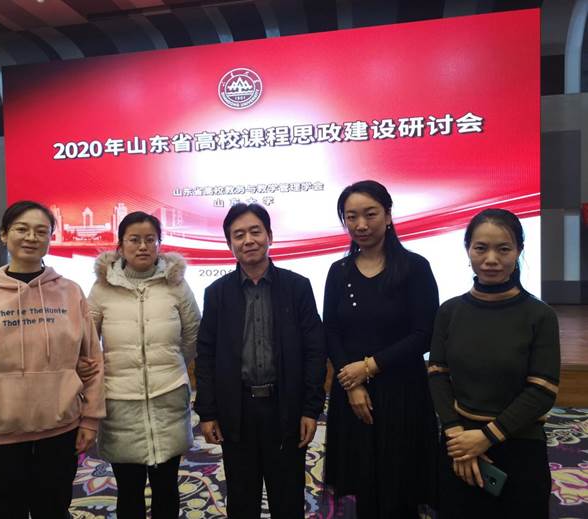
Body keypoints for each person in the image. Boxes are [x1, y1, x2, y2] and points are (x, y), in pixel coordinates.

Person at [0, 200, 105, 519]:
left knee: (54, 511)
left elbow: (92, 361)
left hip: (59, 432)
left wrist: (90, 419)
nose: (31, 237)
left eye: (41, 231)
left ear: (50, 238)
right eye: (22, 229)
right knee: (4, 512)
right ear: (4, 234)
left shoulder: (71, 293)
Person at [194, 203, 326, 519]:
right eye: (239, 235)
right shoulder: (217, 293)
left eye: (255, 231)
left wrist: (310, 409)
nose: (248, 240)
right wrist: (208, 412)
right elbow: (206, 354)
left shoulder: (297, 287)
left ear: (269, 236)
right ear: (229, 243)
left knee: (288, 498)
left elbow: (314, 351)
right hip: (237, 410)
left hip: (285, 408)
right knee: (242, 500)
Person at [428, 209, 560, 519]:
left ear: (518, 251)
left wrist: (485, 438)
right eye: (480, 248)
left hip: (518, 442)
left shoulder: (540, 315)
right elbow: (437, 375)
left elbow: (542, 391)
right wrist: (457, 437)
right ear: (468, 250)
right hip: (459, 440)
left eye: (503, 249)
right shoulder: (450, 311)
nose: (491, 259)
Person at [323, 180, 439, 518]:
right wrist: (353, 383)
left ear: (388, 215)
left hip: (402, 391)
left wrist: (369, 366)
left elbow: (425, 334)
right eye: (351, 217)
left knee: (400, 483)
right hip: (353, 393)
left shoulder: (415, 268)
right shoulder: (339, 271)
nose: (361, 224)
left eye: (370, 214)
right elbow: (331, 331)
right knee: (362, 482)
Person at [79, 211, 200, 519]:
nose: (143, 246)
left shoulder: (176, 285)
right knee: (129, 490)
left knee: (166, 488)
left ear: (159, 243)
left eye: (150, 239)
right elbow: (88, 342)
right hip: (121, 403)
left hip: (168, 399)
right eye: (134, 239)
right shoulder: (102, 288)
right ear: (120, 245)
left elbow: (192, 337)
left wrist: (169, 365)